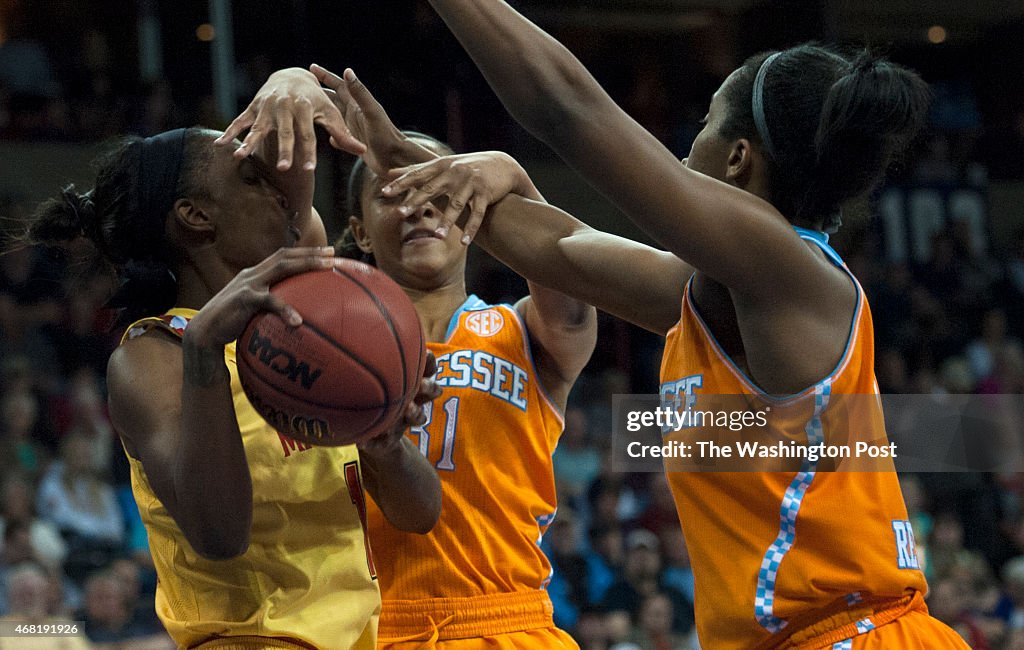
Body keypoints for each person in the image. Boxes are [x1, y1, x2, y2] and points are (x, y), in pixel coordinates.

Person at [326, 3, 971, 646]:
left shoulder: (789, 274)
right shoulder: (715, 297)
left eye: (705, 124)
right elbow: (558, 250)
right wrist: (423, 171)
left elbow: (568, 110)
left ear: (738, 159)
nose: (689, 145)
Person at [17, 114, 442, 649]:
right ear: (195, 215)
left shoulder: (305, 331)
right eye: (250, 178)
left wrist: (387, 446)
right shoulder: (154, 356)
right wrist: (204, 354)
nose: (278, 192)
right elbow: (219, 535)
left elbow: (421, 515)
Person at [218, 68, 597, 647]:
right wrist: (290, 78)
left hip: (508, 623)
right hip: (367, 628)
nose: (418, 206)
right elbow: (287, 214)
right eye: (393, 193)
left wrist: (513, 178)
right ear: (360, 231)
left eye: (435, 190)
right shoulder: (318, 337)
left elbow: (568, 265)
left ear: (471, 212)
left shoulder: (526, 328)